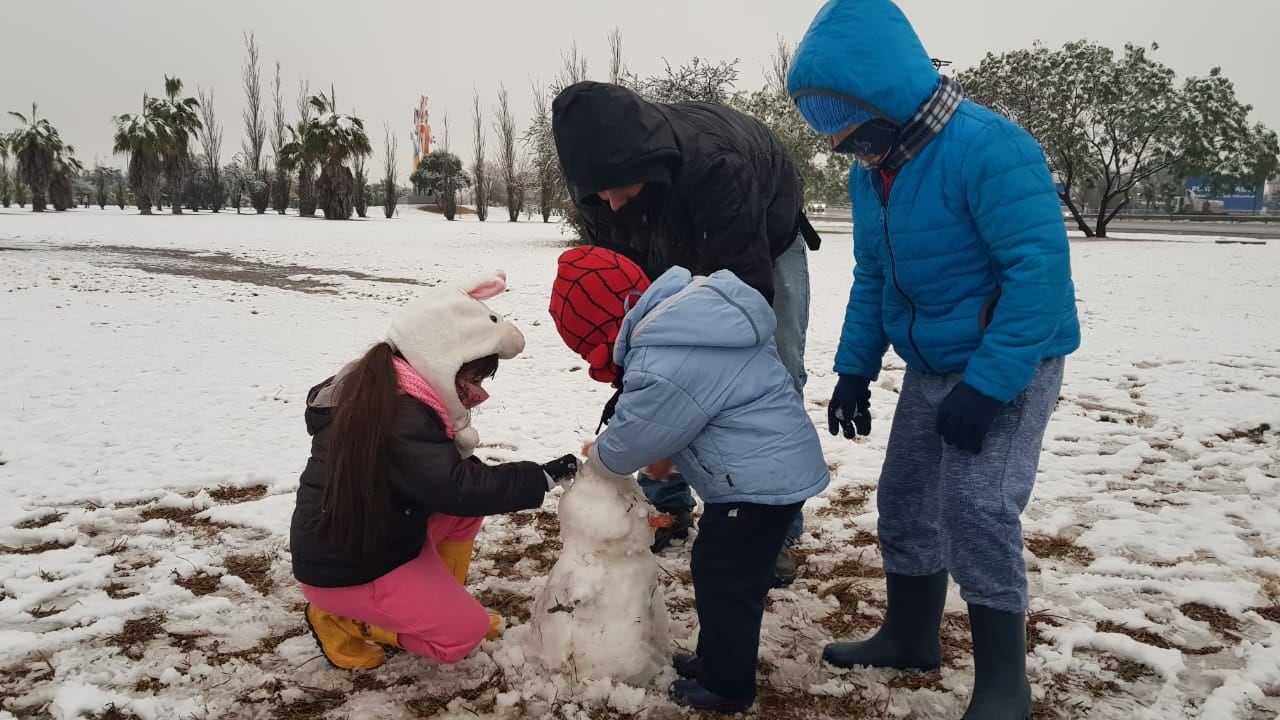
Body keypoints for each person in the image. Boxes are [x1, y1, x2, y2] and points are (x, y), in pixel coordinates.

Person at [787, 1, 1082, 718]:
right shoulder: (872, 172)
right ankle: (911, 634)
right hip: (931, 363)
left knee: (978, 505)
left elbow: (1037, 277)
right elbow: (876, 277)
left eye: (850, 127)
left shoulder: (991, 148)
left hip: (1011, 360)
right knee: (908, 498)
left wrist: (988, 388)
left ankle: (1005, 684)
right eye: (831, 131)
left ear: (889, 98)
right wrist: (854, 368)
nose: (843, 147)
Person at [551, 80, 820, 585]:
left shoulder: (718, 168)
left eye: (614, 189)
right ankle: (667, 505)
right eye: (595, 194)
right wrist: (647, 404)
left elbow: (741, 316)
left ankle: (771, 527)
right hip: (665, 250)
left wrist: (674, 425)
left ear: (643, 166)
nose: (606, 205)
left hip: (761, 244)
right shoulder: (599, 186)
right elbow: (629, 320)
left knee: (769, 374)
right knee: (657, 356)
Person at [548, 246, 830, 714]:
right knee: (725, 574)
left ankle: (727, 686)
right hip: (764, 472)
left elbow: (638, 431)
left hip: (755, 484)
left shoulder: (666, 351)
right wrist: (669, 459)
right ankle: (718, 660)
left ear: (606, 324)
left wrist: (601, 457)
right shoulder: (688, 328)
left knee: (725, 579)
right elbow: (709, 410)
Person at [290, 272, 579, 670]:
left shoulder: (387, 386)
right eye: (472, 378)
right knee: (461, 637)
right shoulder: (399, 413)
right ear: (442, 359)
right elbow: (457, 487)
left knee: (462, 518)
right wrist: (540, 477)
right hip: (349, 568)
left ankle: (432, 605)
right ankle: (345, 620)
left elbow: (443, 481)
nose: (477, 392)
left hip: (372, 539)